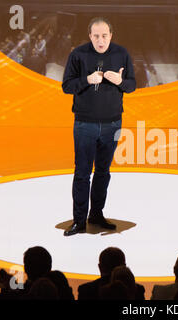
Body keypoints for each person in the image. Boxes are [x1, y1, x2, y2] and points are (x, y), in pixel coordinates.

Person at [62, 17, 136, 236]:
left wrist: (119, 82)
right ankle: (79, 221)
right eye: (96, 36)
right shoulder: (78, 54)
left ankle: (96, 214)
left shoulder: (121, 54)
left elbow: (132, 85)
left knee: (103, 172)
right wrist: (87, 80)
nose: (100, 40)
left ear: (111, 36)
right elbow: (67, 86)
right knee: (82, 173)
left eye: (104, 35)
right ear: (90, 36)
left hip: (113, 123)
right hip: (85, 123)